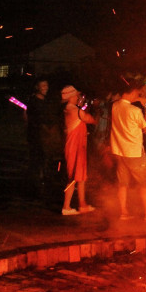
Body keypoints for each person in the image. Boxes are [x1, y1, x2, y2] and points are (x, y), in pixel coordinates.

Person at [110, 80, 146, 221]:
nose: (137, 95)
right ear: (132, 92)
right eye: (137, 93)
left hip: (119, 151)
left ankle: (124, 212)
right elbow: (145, 128)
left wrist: (139, 98)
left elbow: (126, 101)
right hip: (134, 153)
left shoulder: (115, 106)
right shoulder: (135, 111)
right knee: (144, 183)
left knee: (123, 184)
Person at [60, 86, 98, 216]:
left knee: (80, 176)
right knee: (73, 177)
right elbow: (91, 119)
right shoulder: (75, 110)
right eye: (76, 95)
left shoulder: (67, 109)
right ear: (71, 97)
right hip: (74, 147)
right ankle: (66, 207)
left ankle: (82, 204)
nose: (78, 97)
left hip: (77, 146)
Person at [25, 79, 58, 194]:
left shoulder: (46, 101)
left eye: (47, 85)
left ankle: (45, 178)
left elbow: (50, 116)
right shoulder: (33, 101)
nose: (46, 87)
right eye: (43, 85)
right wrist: (42, 127)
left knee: (46, 157)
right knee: (36, 158)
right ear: (37, 87)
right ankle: (35, 183)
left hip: (46, 136)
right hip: (36, 136)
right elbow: (33, 119)